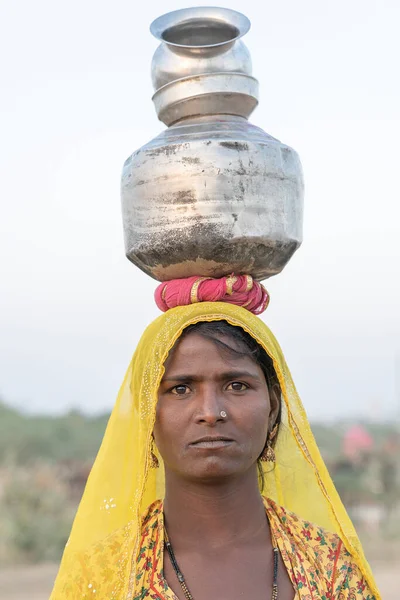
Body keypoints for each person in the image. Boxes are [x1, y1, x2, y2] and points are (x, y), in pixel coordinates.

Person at [50, 277, 381, 600]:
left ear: (272, 408)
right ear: (147, 414)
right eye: (181, 389)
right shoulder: (102, 576)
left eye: (236, 385)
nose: (211, 412)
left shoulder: (330, 567)